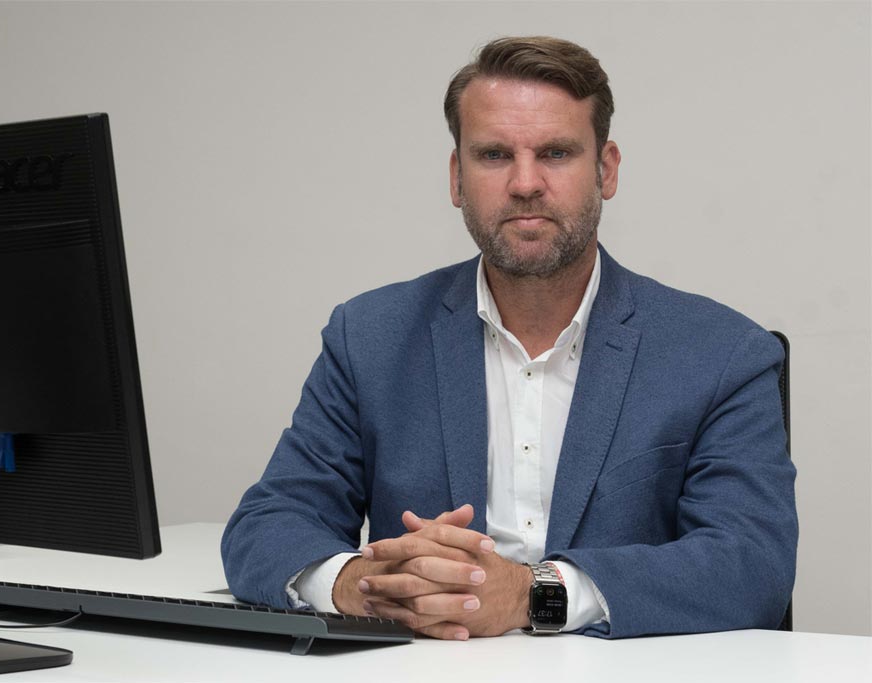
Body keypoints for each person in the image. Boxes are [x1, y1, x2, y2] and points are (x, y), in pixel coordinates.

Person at [221, 36, 798, 641]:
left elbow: (752, 564)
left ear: (606, 170)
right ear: (457, 177)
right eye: (494, 155)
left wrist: (532, 595)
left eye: (556, 153)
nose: (525, 183)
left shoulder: (723, 354)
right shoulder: (369, 338)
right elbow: (267, 525)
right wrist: (364, 587)